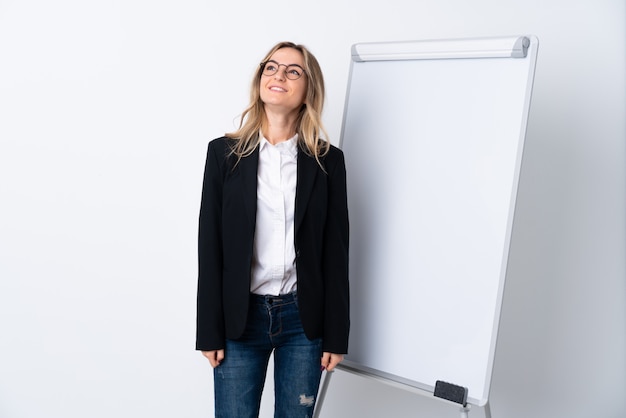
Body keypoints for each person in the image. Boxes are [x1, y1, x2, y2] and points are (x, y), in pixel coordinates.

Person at [196, 41, 350, 418]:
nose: (279, 75)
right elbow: (210, 246)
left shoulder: (328, 161)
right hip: (239, 319)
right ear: (260, 80)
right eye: (271, 67)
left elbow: (336, 251)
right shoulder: (223, 155)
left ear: (308, 90)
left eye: (292, 70)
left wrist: (337, 334)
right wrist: (208, 331)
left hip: (304, 322)